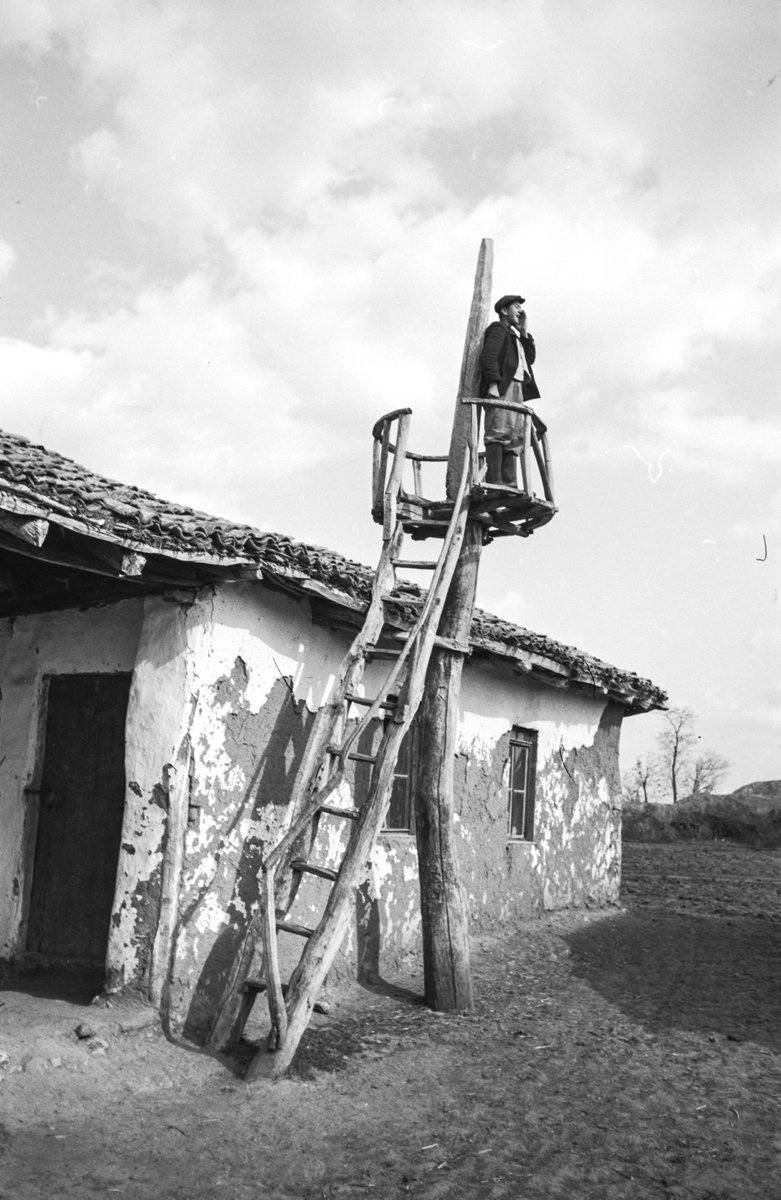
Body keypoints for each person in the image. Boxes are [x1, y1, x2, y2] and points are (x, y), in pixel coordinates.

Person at [479, 293, 541, 487]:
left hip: (517, 388)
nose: (520, 311)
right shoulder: (498, 329)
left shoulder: (515, 335)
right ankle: (496, 482)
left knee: (514, 434)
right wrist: (493, 385)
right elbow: (489, 356)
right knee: (498, 430)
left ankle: (510, 483)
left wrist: (523, 331)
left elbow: (529, 359)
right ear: (504, 311)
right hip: (503, 386)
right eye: (516, 307)